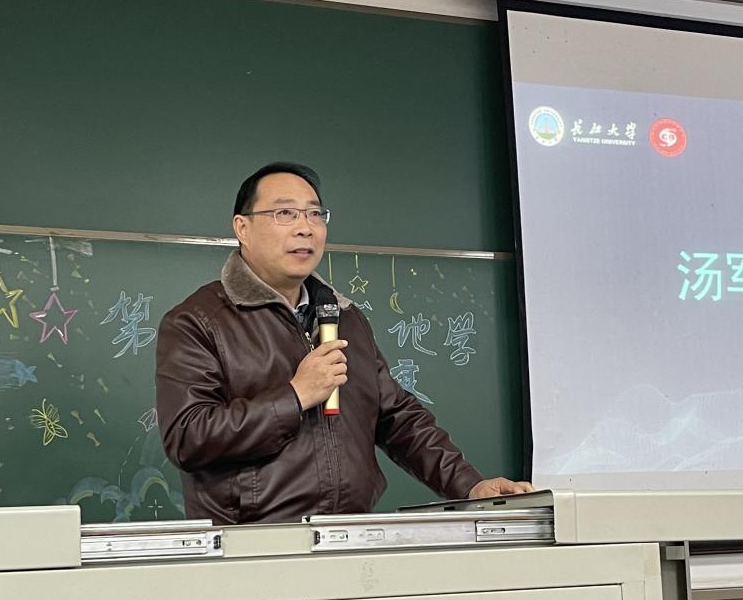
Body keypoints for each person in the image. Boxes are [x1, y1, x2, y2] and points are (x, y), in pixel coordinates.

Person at [155, 161, 533, 524]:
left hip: (350, 537)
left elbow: (397, 417)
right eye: (285, 214)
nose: (305, 228)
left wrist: (470, 486)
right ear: (243, 227)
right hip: (255, 544)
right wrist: (295, 396)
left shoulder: (344, 316)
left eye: (315, 214)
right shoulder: (198, 321)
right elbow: (188, 436)